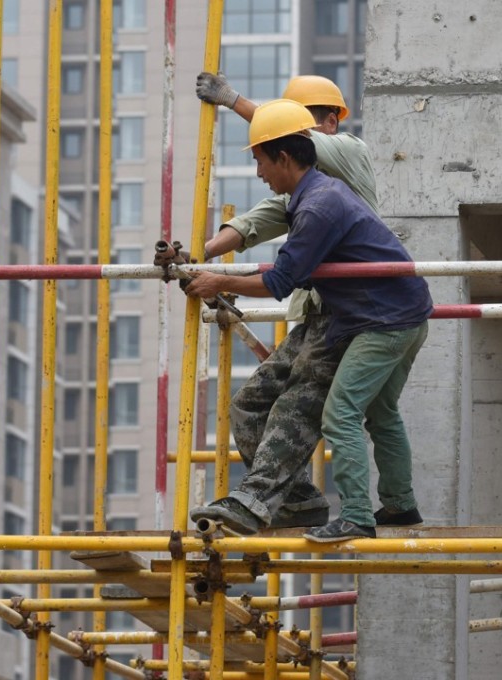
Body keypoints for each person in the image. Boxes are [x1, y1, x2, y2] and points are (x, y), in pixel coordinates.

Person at [163, 74, 420, 534]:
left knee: (316, 410)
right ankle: (306, 501)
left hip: (369, 318)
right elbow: (255, 222)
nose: (259, 172)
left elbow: (281, 278)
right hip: (345, 314)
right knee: (254, 402)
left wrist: (235, 100)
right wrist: (197, 258)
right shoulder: (302, 193)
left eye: (262, 158)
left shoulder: (336, 172)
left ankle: (272, 502)